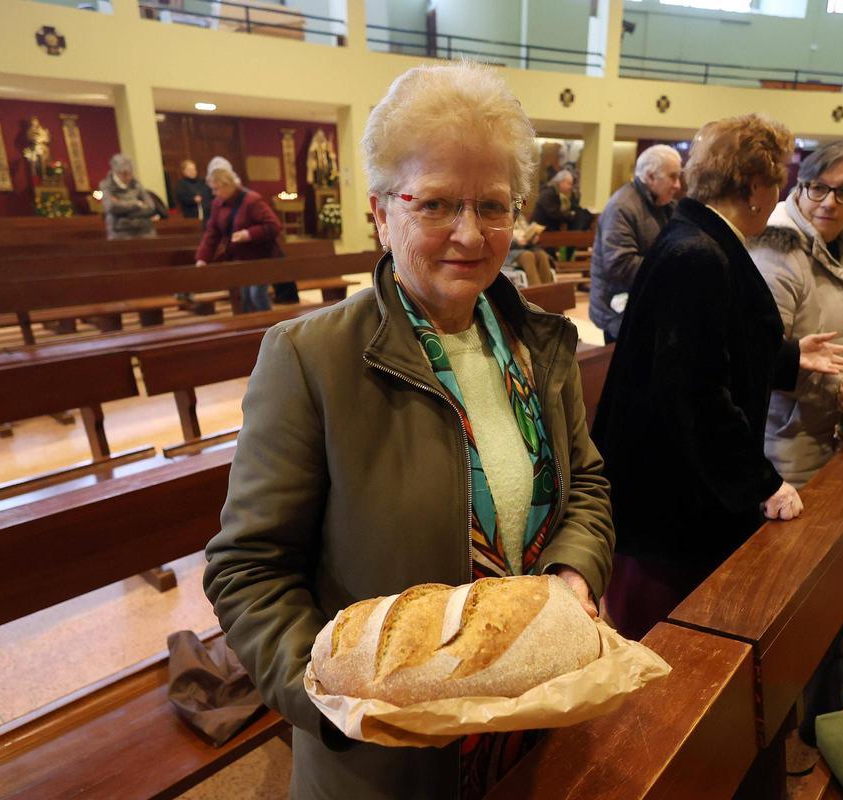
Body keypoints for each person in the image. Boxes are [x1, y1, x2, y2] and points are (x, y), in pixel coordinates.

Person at [202, 62, 614, 800]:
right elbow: (249, 571)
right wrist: (339, 704)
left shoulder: (537, 344)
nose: (469, 233)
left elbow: (585, 482)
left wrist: (572, 577)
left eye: (492, 205)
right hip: (388, 764)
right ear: (381, 210)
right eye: (436, 204)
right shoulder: (311, 359)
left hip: (540, 715)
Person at [591, 116, 843, 640]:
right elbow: (693, 392)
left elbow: (716, 344)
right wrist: (763, 482)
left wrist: (787, 357)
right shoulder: (698, 252)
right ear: (756, 186)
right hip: (667, 496)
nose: (780, 190)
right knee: (663, 640)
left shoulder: (701, 237)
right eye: (778, 177)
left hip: (674, 484)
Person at [749, 141, 843, 487]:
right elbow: (760, 356)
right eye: (819, 188)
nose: (830, 202)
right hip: (788, 438)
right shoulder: (776, 251)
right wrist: (838, 387)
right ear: (800, 186)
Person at [588, 144, 682, 343]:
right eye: (672, 177)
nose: (678, 185)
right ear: (649, 177)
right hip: (619, 311)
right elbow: (620, 265)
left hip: (646, 304)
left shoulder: (665, 206)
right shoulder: (622, 207)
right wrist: (672, 269)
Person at [194, 167, 282, 313]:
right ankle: (251, 330)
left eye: (216, 189)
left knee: (257, 295)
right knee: (245, 298)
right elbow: (212, 233)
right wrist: (202, 258)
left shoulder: (251, 200)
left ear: (227, 184)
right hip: (240, 259)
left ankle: (272, 329)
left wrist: (248, 234)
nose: (214, 193)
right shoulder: (218, 204)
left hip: (260, 256)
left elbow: (274, 226)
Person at [99, 153, 156, 240]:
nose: (128, 177)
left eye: (130, 173)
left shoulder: (136, 184)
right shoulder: (106, 185)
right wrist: (137, 204)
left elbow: (151, 206)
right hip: (120, 232)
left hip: (144, 230)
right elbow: (111, 207)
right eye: (124, 174)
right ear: (116, 172)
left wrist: (122, 206)